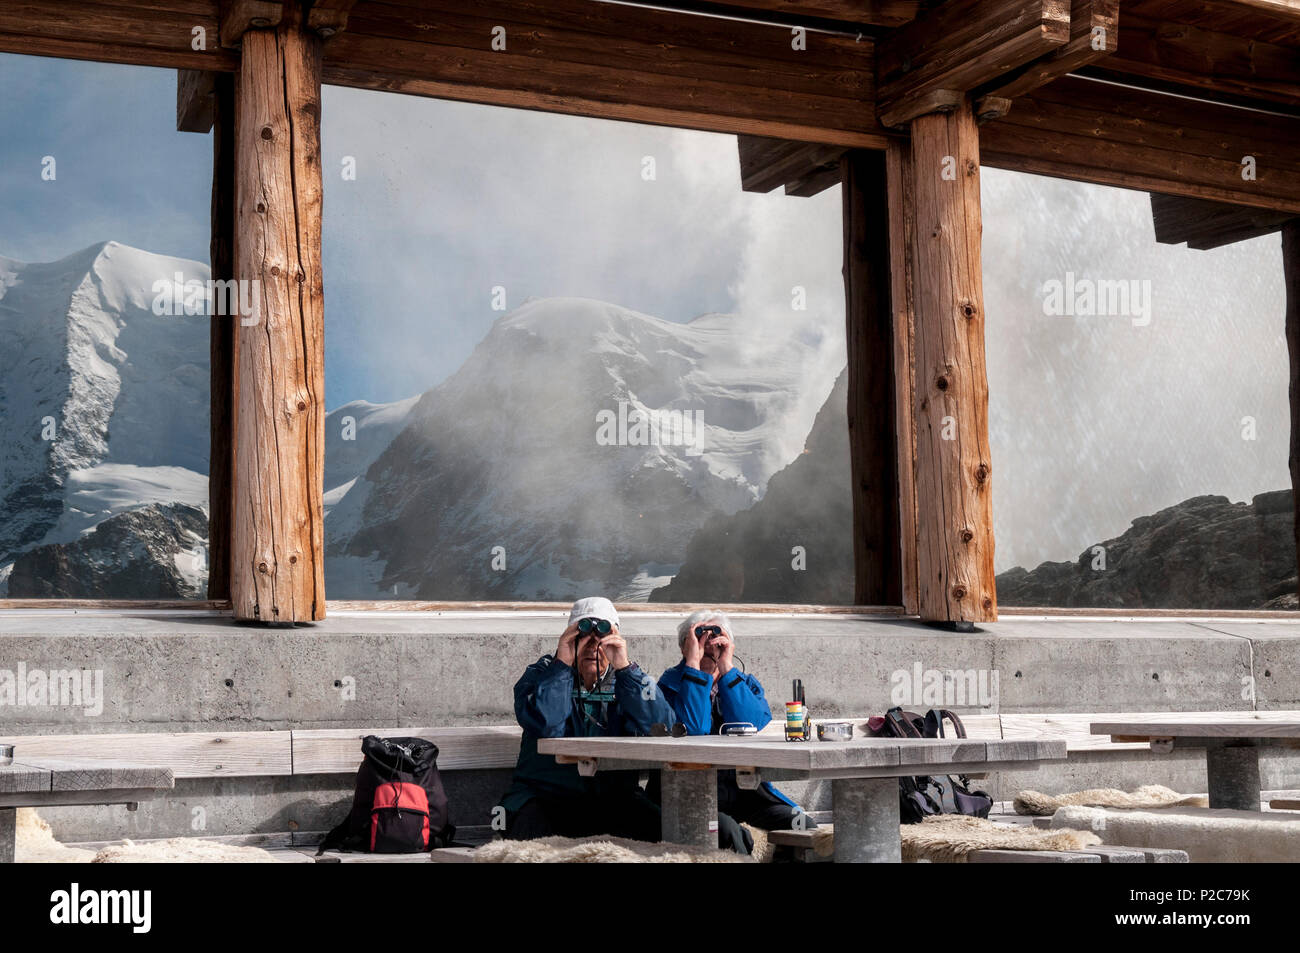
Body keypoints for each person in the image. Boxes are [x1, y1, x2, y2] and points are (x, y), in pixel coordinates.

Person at [498, 596, 674, 841]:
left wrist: (624, 667)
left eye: (602, 637)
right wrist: (562, 664)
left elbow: (661, 727)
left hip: (613, 800)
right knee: (537, 841)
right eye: (583, 637)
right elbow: (547, 725)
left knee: (678, 834)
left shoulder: (629, 681)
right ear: (570, 638)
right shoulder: (541, 674)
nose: (593, 646)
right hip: (545, 796)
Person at [657, 609, 816, 852]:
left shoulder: (741, 681)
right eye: (699, 635)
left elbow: (751, 724)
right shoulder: (668, 686)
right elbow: (693, 731)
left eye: (717, 635)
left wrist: (727, 667)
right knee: (728, 831)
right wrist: (694, 667)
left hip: (744, 791)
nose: (709, 642)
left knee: (804, 825)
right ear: (684, 646)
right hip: (690, 793)